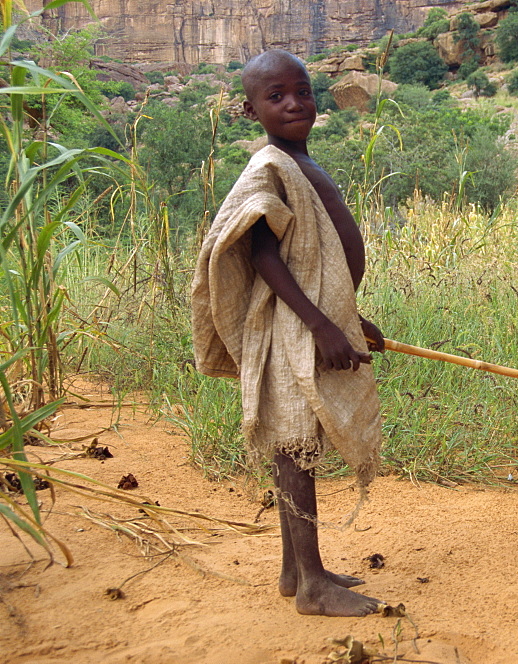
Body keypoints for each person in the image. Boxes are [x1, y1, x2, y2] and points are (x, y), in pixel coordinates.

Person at [191, 50, 386, 616]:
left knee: (293, 446)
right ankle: (312, 589)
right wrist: (322, 325)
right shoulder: (268, 168)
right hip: (292, 328)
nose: (294, 103)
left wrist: (349, 319)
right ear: (252, 111)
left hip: (312, 321)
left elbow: (318, 259)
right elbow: (263, 255)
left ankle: (295, 568)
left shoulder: (300, 163)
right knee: (295, 448)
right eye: (275, 97)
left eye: (300, 91)